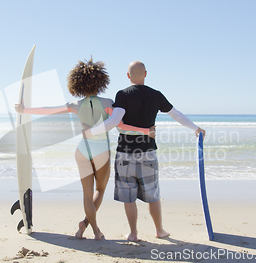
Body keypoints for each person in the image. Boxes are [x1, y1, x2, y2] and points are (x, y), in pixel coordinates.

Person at [15, 58, 154, 240]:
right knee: (100, 190)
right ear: (100, 82)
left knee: (87, 195)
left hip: (82, 150)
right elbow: (121, 126)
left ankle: (92, 230)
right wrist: (145, 131)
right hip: (101, 150)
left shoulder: (75, 105)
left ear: (78, 84)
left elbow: (50, 110)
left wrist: (25, 110)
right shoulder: (107, 103)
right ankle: (89, 227)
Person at [84, 60, 205, 241]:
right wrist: (195, 128)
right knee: (153, 194)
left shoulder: (122, 94)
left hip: (125, 153)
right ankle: (160, 231)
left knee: (129, 196)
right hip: (147, 152)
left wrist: (91, 132)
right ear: (146, 74)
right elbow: (176, 114)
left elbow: (114, 122)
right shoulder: (155, 95)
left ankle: (133, 233)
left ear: (128, 76)